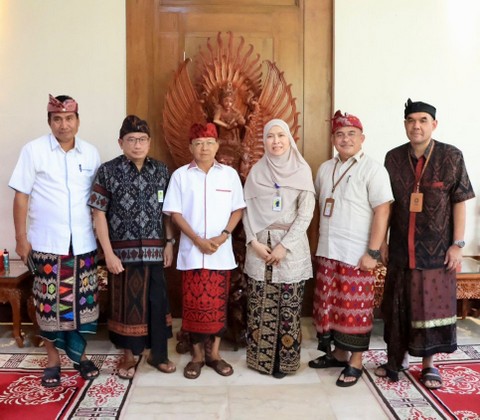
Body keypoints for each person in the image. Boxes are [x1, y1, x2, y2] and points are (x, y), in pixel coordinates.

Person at [375, 99, 475, 389]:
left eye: (422, 120)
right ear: (405, 124)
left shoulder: (451, 156)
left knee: (430, 310)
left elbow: (459, 201)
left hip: (436, 252)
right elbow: (387, 204)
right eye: (411, 120)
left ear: (434, 124)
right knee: (397, 307)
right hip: (399, 249)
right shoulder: (393, 158)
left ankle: (429, 365)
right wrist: (382, 242)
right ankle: (398, 359)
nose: (416, 126)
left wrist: (457, 244)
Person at [9, 94, 101, 387]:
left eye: (69, 118)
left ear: (78, 121)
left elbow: (98, 201)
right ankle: (52, 360)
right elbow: (21, 196)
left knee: (82, 307)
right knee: (49, 307)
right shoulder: (34, 151)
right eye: (57, 119)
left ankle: (80, 357)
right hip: (47, 245)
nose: (64, 125)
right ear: (49, 122)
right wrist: (21, 238)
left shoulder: (90, 153)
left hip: (83, 245)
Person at [309, 110, 393, 387]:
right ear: (333, 138)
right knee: (330, 307)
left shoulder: (373, 169)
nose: (345, 139)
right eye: (340, 134)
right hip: (328, 250)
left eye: (351, 134)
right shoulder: (325, 168)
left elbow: (382, 211)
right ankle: (338, 354)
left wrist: (373, 253)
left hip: (357, 254)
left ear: (362, 138)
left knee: (354, 310)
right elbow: (320, 208)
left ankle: (355, 362)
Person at [89, 115, 176, 379]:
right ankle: (128, 356)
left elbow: (167, 212)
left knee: (157, 302)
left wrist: (169, 243)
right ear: (121, 142)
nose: (137, 145)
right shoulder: (108, 171)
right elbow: (98, 213)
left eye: (142, 139)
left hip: (155, 251)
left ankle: (159, 355)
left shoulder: (161, 171)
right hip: (121, 255)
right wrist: (108, 253)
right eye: (131, 139)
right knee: (126, 306)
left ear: (149, 142)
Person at [163, 122, 245, 379]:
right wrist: (197, 239)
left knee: (218, 307)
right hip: (192, 253)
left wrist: (223, 236)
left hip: (221, 253)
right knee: (194, 307)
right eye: (198, 143)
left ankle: (215, 355)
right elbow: (174, 213)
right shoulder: (180, 176)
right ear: (190, 147)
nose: (204, 148)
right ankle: (197, 356)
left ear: (217, 145)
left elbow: (238, 209)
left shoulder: (229, 175)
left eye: (209, 143)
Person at [243, 119, 315, 379]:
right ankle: (260, 360)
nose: (276, 141)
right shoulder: (256, 171)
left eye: (281, 135)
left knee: (288, 308)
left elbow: (306, 214)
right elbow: (245, 210)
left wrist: (284, 246)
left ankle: (285, 363)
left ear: (289, 139)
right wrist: (253, 242)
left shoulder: (302, 171)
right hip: (259, 247)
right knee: (258, 305)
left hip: (290, 248)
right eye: (270, 136)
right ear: (264, 140)